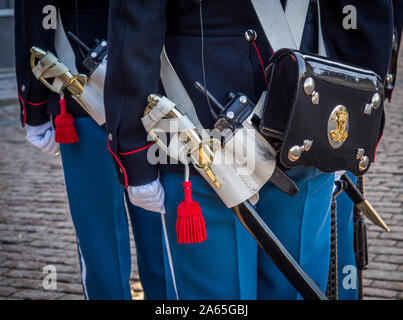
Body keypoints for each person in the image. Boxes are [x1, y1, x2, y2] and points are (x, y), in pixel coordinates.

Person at [105, 0, 394, 299]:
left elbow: (135, 23)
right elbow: (365, 19)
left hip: (203, 130)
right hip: (307, 115)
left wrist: (133, 149)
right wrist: (357, 127)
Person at [14, 0, 176, 300]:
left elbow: (36, 11)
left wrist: (34, 106)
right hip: (152, 87)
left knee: (104, 239)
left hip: (87, 86)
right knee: (158, 239)